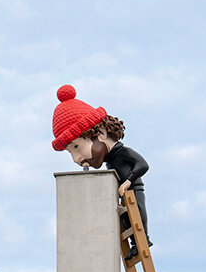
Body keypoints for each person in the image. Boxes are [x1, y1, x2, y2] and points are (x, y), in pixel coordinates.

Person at [51, 84, 152, 261]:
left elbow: (143, 165)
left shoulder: (123, 153)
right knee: (127, 220)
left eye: (77, 147)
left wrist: (128, 182)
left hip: (132, 190)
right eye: (70, 152)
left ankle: (143, 241)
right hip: (123, 193)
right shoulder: (110, 160)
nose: (76, 158)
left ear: (102, 133)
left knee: (137, 216)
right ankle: (135, 243)